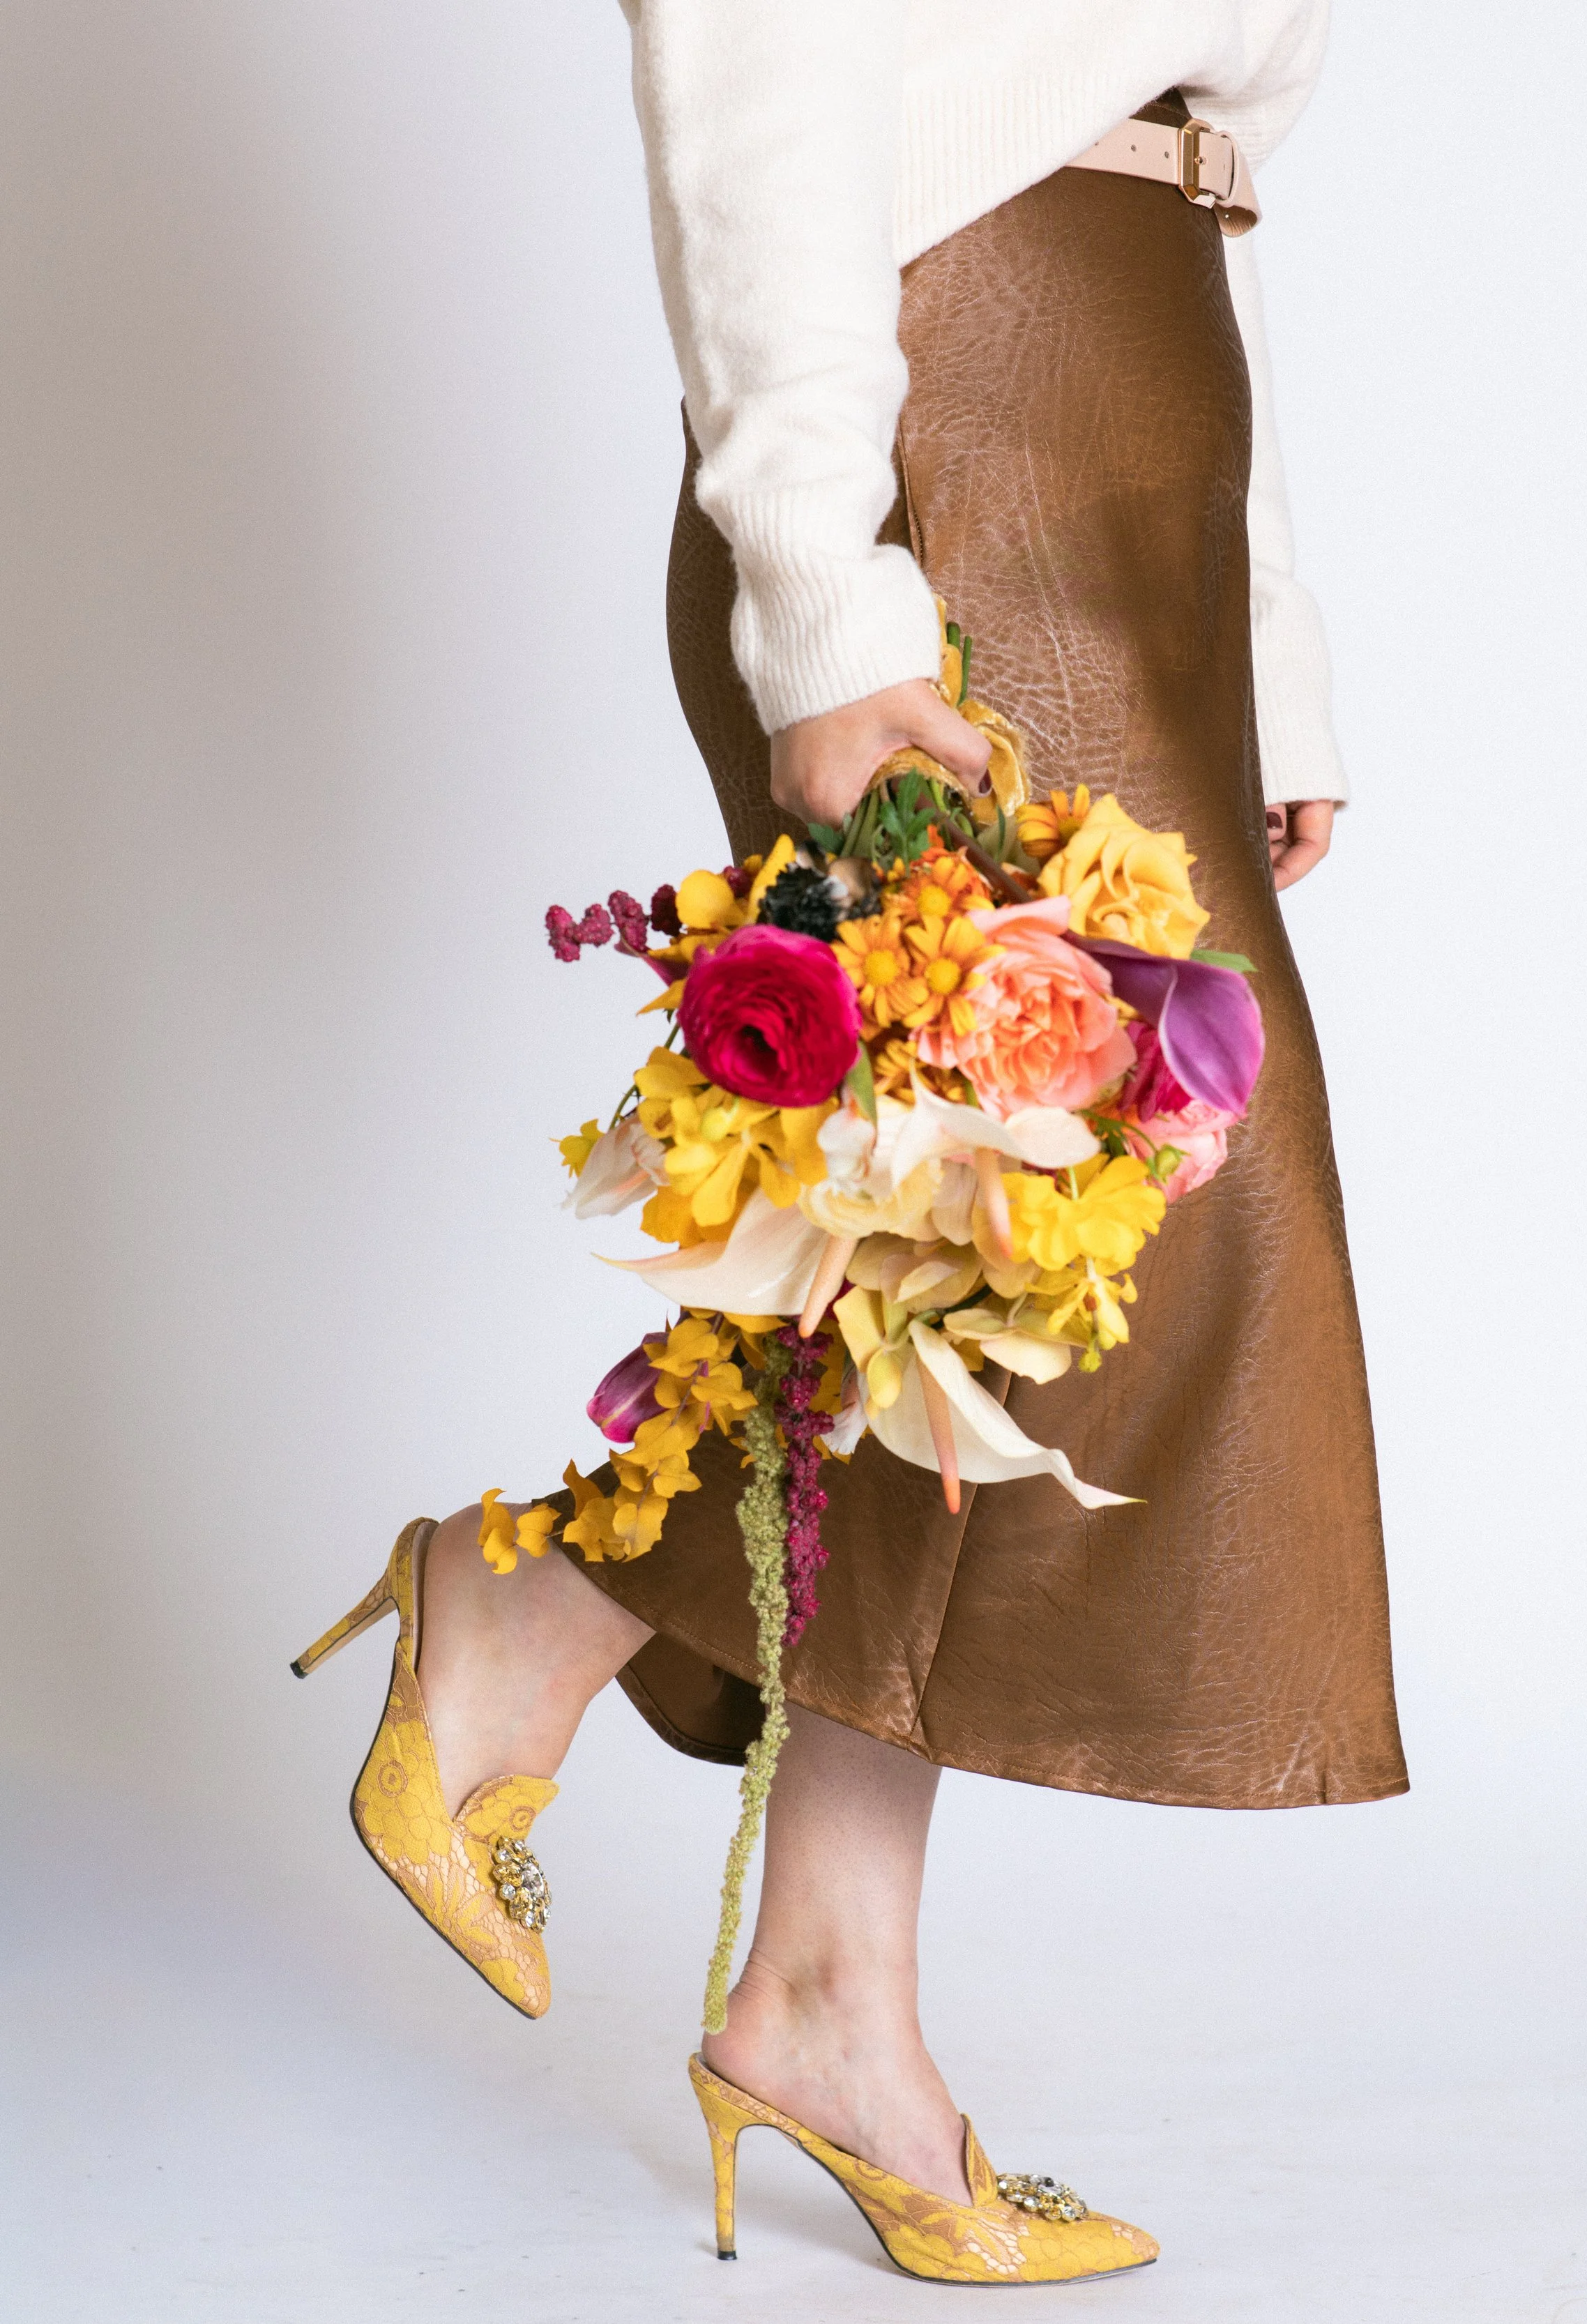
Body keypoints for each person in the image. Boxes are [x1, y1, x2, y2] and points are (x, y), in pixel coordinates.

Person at [294, 0, 1406, 2286]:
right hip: (953, 409)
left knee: (960, 1278)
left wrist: (1262, 626)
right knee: (1088, 1233)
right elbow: (759, 47)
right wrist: (815, 582)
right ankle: (538, 1606)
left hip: (1125, 397)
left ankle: (823, 1991)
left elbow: (1189, 133)